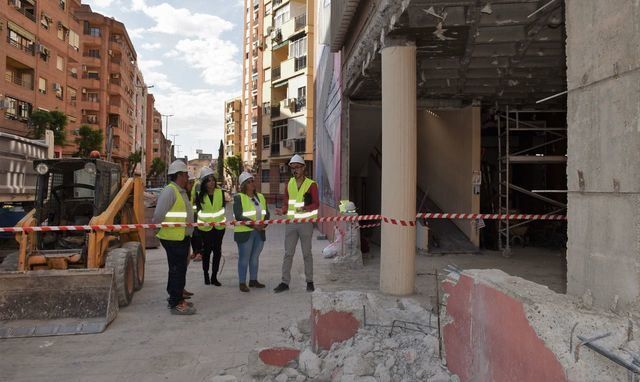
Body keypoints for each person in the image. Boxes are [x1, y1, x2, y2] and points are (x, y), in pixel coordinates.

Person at [153, 160, 196, 315]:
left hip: (181, 236)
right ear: (179, 175)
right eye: (185, 174)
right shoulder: (170, 191)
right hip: (173, 238)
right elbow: (158, 216)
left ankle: (175, 296)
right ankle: (176, 303)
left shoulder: (180, 191)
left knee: (177, 269)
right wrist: (161, 227)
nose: (187, 177)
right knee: (178, 270)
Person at [274, 154, 319, 293]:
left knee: (307, 254)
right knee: (288, 254)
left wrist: (306, 208)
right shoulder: (289, 184)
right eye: (293, 168)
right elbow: (286, 203)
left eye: (298, 167)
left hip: (305, 223)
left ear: (303, 168)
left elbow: (316, 204)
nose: (295, 170)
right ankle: (284, 282)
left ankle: (309, 282)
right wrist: (282, 211)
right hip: (291, 223)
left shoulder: (311, 184)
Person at [233, 171, 269, 292]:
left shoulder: (261, 197)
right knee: (244, 258)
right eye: (249, 182)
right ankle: (242, 282)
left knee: (255, 257)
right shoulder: (239, 198)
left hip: (259, 232)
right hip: (245, 233)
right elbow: (238, 215)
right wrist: (254, 224)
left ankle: (253, 280)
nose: (252, 183)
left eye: (253, 180)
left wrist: (264, 223)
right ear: (243, 185)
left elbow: (266, 213)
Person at [194, 167, 226, 286]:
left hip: (219, 228)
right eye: (208, 180)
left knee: (217, 252)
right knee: (206, 253)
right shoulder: (199, 195)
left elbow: (222, 209)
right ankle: (206, 275)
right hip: (205, 229)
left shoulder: (220, 193)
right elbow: (198, 212)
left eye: (213, 180)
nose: (211, 182)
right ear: (204, 182)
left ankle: (214, 277)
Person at [188, 171, 203, 262]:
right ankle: (195, 252)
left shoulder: (197, 185)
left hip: (197, 214)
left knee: (198, 234)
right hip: (191, 214)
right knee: (192, 234)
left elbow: (198, 200)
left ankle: (199, 253)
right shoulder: (188, 188)